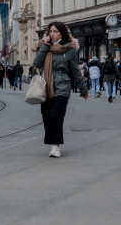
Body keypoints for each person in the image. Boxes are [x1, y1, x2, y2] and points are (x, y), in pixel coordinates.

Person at [33, 22, 89, 157]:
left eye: (55, 31)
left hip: (62, 88)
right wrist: (45, 45)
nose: (52, 34)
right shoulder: (44, 46)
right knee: (46, 118)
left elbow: (75, 71)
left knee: (55, 117)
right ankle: (53, 142)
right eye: (50, 31)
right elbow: (36, 63)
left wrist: (83, 89)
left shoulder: (70, 50)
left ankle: (56, 147)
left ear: (62, 33)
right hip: (46, 88)